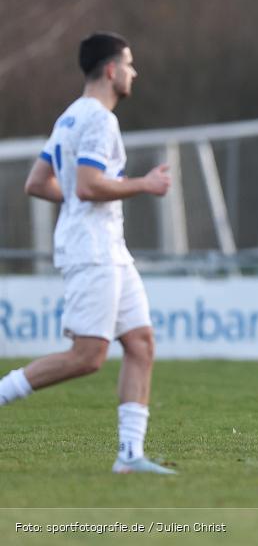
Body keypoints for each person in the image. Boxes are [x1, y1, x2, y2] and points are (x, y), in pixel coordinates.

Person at [0, 32, 174, 474]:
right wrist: (145, 184)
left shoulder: (70, 117)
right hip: (93, 250)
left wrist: (78, 204)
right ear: (112, 70)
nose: (134, 72)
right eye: (130, 64)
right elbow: (89, 185)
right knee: (87, 356)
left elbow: (37, 182)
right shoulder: (99, 119)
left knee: (140, 343)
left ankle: (130, 457)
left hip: (108, 248)